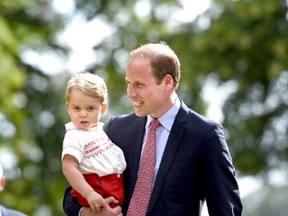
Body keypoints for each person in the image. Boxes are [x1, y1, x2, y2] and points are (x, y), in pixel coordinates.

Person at [63, 42, 243, 216]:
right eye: (128, 83)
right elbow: (74, 192)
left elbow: (226, 210)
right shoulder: (117, 129)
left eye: (139, 84)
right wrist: (86, 213)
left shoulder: (205, 135)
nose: (130, 93)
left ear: (167, 82)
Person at [61, 72, 126, 214]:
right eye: (76, 108)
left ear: (102, 108)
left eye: (90, 108)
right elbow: (68, 168)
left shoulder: (97, 131)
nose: (83, 114)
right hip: (95, 192)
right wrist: (89, 193)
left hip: (113, 192)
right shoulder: (74, 135)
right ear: (68, 108)